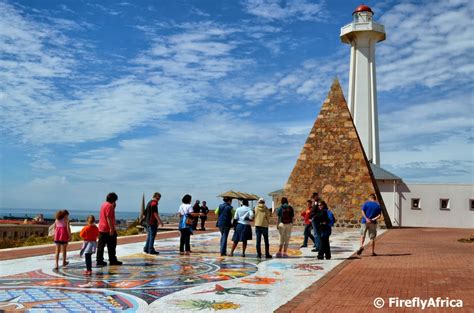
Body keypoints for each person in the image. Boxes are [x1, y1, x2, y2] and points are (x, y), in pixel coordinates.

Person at [96, 192, 122, 266]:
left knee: (101, 245)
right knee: (112, 245)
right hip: (107, 229)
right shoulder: (110, 206)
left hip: (101, 228)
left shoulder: (103, 204)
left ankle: (99, 260)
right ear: (114, 200)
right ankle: (112, 260)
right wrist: (112, 229)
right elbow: (109, 218)